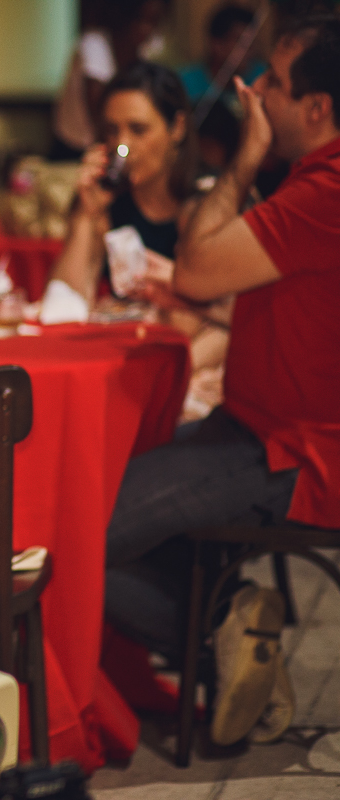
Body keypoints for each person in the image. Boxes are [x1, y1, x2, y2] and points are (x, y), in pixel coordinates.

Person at [103, 14, 340, 745]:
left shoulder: (325, 189)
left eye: (270, 80)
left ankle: (233, 630)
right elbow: (255, 304)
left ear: (316, 108)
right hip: (252, 427)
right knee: (100, 505)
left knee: (80, 531)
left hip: (293, 453)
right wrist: (192, 295)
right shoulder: (311, 183)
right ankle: (237, 624)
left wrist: (241, 161)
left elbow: (202, 262)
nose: (252, 91)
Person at [46, 61, 231, 421]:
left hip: (187, 378)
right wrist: (86, 215)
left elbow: (232, 321)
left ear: (177, 127)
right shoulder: (109, 201)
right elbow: (63, 306)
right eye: (111, 130)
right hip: (125, 370)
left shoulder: (209, 201)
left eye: (138, 130)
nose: (122, 146)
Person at [52, 0, 169, 158]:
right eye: (140, 20)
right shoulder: (94, 45)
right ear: (124, 17)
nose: (146, 29)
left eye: (153, 22)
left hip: (113, 143)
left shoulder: (148, 48)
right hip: (75, 143)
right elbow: (100, 112)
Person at [180, 4, 266, 106]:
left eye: (252, 43)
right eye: (242, 43)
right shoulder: (186, 84)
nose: (249, 50)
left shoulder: (262, 79)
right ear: (217, 44)